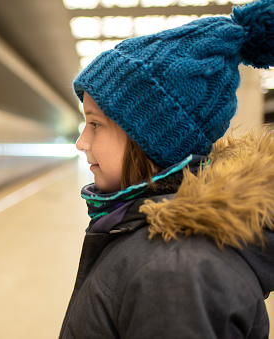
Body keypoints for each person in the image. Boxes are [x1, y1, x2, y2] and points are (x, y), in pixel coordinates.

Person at [59, 0, 274, 338]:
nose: (82, 142)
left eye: (95, 124)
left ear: (147, 136)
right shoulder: (153, 241)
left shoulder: (175, 271)